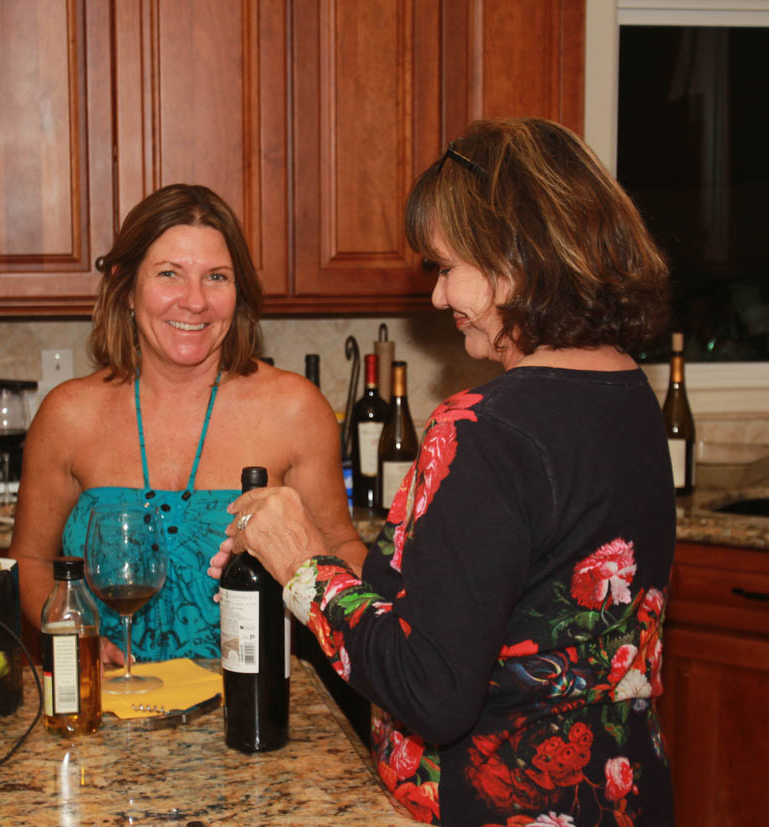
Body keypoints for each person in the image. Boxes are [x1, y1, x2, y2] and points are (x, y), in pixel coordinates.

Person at [212, 119, 676, 825]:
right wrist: (309, 545)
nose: (436, 297)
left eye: (445, 267)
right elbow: (463, 607)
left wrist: (304, 569)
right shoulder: (628, 394)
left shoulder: (482, 428)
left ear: (513, 259)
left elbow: (430, 689)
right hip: (617, 797)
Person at [11, 183, 363, 664]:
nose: (194, 301)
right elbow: (29, 561)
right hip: (104, 706)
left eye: (216, 277)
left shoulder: (295, 410)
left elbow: (339, 550)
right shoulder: (68, 415)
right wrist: (73, 635)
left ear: (238, 293)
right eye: (169, 274)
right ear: (126, 285)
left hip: (251, 705)